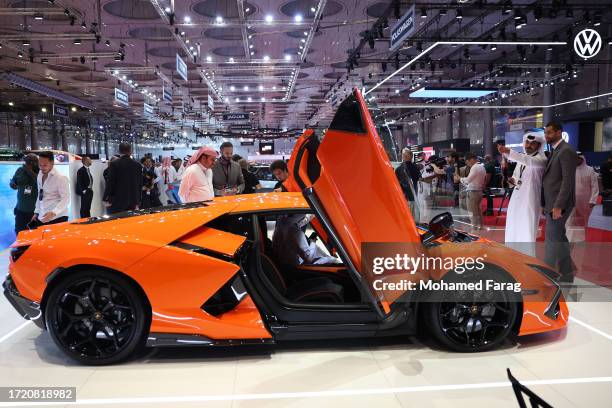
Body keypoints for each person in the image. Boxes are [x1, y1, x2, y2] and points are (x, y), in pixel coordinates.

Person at [498, 131, 547, 255]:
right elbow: (516, 177)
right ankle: (512, 254)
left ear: (539, 145)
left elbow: (528, 161)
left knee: (527, 229)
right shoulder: (522, 159)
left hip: (530, 199)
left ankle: (527, 258)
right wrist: (511, 180)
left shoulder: (541, 159)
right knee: (513, 225)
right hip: (516, 197)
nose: (529, 145)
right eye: (527, 142)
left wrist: (508, 152)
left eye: (533, 143)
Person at [541, 121, 578, 282]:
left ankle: (547, 276)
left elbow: (568, 182)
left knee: (551, 241)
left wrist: (558, 206)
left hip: (559, 204)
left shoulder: (566, 151)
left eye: (549, 132)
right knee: (559, 239)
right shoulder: (557, 150)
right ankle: (567, 273)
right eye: (545, 133)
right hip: (552, 203)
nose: (546, 136)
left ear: (559, 133)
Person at [272, 214, 339, 266]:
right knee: (334, 262)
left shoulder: (281, 222)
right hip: (294, 268)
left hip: (282, 263)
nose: (306, 220)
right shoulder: (294, 231)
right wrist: (313, 242)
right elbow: (309, 258)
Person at [566, 152, 599, 242]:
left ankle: (580, 239)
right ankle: (569, 239)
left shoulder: (590, 170)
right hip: (570, 199)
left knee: (583, 220)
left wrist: (593, 200)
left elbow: (595, 186)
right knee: (569, 219)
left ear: (582, 159)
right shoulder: (569, 170)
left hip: (585, 200)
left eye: (578, 158)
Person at [31, 151, 70, 226]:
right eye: (40, 165)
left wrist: (54, 212)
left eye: (45, 165)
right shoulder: (40, 174)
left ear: (52, 163)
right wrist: (36, 212)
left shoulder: (60, 177)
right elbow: (40, 195)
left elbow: (66, 199)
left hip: (58, 218)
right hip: (42, 217)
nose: (42, 168)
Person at [103, 143, 143, 214]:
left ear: (119, 151)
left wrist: (106, 198)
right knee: (130, 222)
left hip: (117, 200)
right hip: (133, 200)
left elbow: (111, 182)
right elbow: (140, 184)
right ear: (130, 151)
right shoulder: (138, 165)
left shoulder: (114, 164)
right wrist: (139, 199)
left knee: (116, 221)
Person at [10, 153, 39, 233]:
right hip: (21, 209)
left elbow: (37, 181)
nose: (26, 164)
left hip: (34, 212)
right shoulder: (20, 170)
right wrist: (12, 184)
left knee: (34, 233)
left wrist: (29, 170)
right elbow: (13, 180)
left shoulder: (39, 172)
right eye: (26, 162)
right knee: (19, 232)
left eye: (29, 163)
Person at [456, 153, 486, 230]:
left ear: (472, 159)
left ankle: (474, 229)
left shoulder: (475, 167)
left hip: (473, 192)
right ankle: (480, 228)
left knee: (472, 212)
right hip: (479, 191)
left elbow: (468, 180)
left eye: (467, 161)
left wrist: (460, 179)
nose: (467, 164)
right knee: (478, 212)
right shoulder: (482, 167)